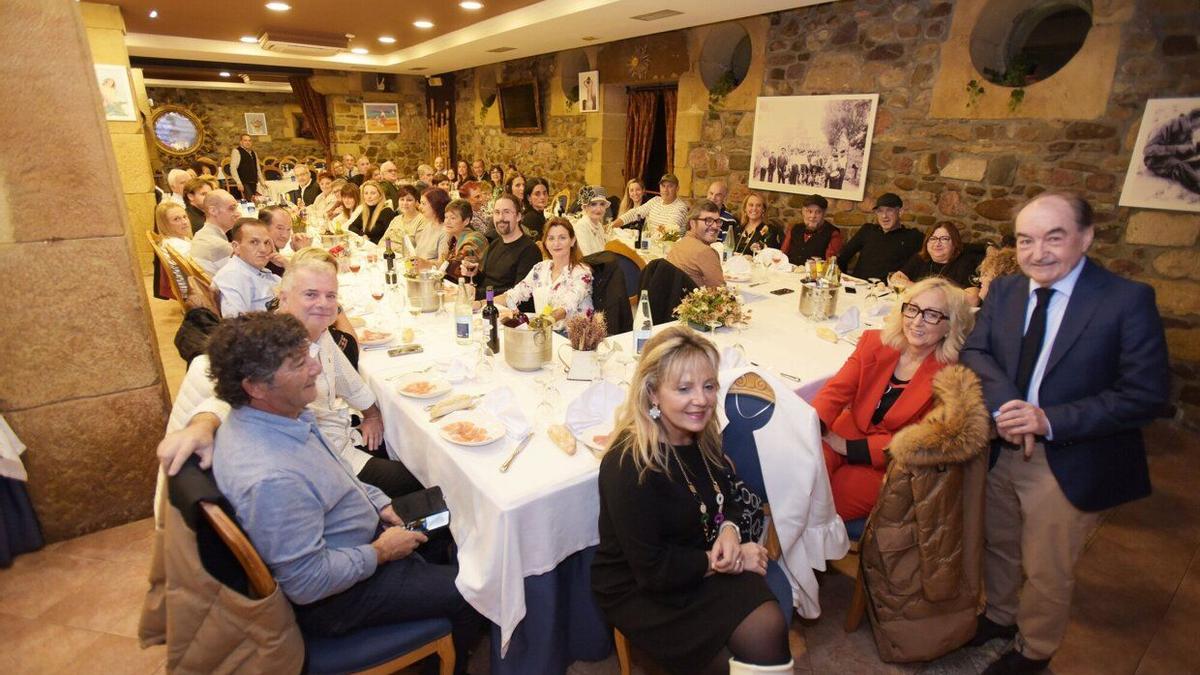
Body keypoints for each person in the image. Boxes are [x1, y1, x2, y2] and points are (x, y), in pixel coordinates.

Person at [194, 312, 479, 673]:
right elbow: (307, 581)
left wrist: (380, 503)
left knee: (450, 517)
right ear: (255, 386)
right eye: (299, 363)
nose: (316, 368)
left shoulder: (281, 416)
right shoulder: (271, 478)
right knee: (475, 590)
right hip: (339, 597)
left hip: (358, 537)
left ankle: (429, 607)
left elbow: (336, 470)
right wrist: (380, 552)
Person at [959, 192, 1169, 674]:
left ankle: (1034, 650)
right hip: (1004, 444)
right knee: (1000, 542)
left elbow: (1146, 395)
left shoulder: (1125, 300)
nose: (1038, 252)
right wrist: (1012, 405)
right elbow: (976, 352)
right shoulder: (1009, 290)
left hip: (1070, 455)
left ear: (1086, 237)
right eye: (1025, 240)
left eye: (1054, 237)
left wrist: (1048, 419)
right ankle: (1000, 616)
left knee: (1047, 565)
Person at [592, 326, 792, 675]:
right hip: (642, 587)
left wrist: (729, 530)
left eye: (709, 386)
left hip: (700, 554)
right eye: (684, 388)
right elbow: (653, 570)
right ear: (653, 393)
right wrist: (732, 560)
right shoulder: (630, 464)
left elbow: (725, 493)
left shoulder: (700, 432)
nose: (701, 400)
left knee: (767, 627)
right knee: (751, 644)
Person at [813, 277, 975, 521]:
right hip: (845, 430)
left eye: (932, 315)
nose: (917, 321)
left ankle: (803, 554)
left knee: (829, 504)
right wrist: (814, 425)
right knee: (804, 476)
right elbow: (836, 391)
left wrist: (849, 448)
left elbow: (926, 439)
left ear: (950, 326)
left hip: (892, 461)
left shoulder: (952, 376)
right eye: (912, 309)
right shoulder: (874, 342)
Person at [497, 217, 593, 324]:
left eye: (562, 238)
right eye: (551, 238)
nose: (556, 243)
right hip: (545, 331)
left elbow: (566, 307)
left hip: (574, 336)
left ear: (572, 241)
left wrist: (540, 323)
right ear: (545, 243)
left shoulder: (582, 273)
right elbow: (514, 294)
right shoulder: (540, 269)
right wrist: (482, 303)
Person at [465, 193, 541, 301]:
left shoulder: (530, 251)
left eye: (507, 212)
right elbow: (487, 281)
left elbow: (519, 294)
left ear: (519, 216)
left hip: (506, 312)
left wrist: (479, 294)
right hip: (483, 304)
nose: (501, 218)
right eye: (497, 212)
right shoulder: (495, 243)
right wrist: (473, 274)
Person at [837, 193, 924, 280]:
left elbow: (922, 263)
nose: (884, 216)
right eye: (880, 211)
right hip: (859, 286)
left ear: (900, 212)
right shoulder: (867, 230)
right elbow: (843, 257)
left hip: (887, 291)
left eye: (889, 210)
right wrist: (840, 279)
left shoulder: (912, 237)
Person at [212, 218, 281, 317]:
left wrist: (287, 265)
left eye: (266, 243)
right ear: (236, 247)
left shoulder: (254, 269)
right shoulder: (232, 276)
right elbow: (236, 324)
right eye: (254, 242)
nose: (263, 249)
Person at [891, 222, 979, 290]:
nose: (937, 243)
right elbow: (895, 278)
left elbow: (973, 299)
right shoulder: (920, 258)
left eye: (944, 239)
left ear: (954, 243)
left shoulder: (964, 263)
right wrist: (920, 288)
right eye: (933, 238)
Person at [666, 201, 726, 289]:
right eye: (708, 221)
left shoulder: (677, 245)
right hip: (691, 301)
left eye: (717, 221)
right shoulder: (706, 252)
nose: (715, 226)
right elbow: (721, 292)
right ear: (692, 224)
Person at [1142, 107, 1200, 195]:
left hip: (1172, 158)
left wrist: (1195, 149)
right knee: (1179, 166)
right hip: (1155, 160)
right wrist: (1177, 148)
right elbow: (1148, 150)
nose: (1198, 128)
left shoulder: (1188, 130)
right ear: (1194, 118)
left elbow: (1183, 152)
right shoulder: (1169, 125)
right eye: (1198, 124)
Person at [612, 173, 689, 236]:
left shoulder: (680, 207)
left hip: (668, 249)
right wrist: (613, 225)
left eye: (670, 186)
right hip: (651, 245)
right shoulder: (655, 200)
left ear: (677, 188)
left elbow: (669, 232)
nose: (665, 190)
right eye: (663, 186)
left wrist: (648, 236)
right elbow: (635, 213)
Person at [431, 199, 488, 280]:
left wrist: (428, 264)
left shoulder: (474, 239)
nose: (447, 222)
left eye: (453, 218)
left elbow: (459, 268)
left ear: (466, 221)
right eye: (446, 217)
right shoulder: (454, 238)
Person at [781, 194, 843, 265]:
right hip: (789, 272)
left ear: (824, 213)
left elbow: (829, 264)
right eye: (809, 211)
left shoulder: (833, 234)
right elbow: (782, 254)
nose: (812, 216)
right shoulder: (795, 228)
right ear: (803, 212)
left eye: (818, 212)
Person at [191, 189, 240, 275]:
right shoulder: (219, 245)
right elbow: (243, 278)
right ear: (213, 211)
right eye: (232, 208)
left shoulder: (200, 234)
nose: (238, 213)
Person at [152, 201, 193, 300]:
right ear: (165, 224)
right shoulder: (176, 245)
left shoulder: (175, 239)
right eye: (176, 219)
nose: (184, 222)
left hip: (189, 285)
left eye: (185, 217)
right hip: (191, 291)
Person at [258, 205, 311, 276]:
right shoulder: (262, 258)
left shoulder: (273, 254)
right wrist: (303, 251)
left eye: (289, 229)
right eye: (280, 228)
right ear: (262, 226)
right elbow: (307, 281)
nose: (285, 235)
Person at [572, 186, 611, 257]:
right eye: (593, 204)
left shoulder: (598, 225)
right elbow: (587, 257)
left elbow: (603, 250)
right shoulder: (581, 227)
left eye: (602, 204)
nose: (598, 209)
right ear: (585, 207)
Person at [413, 188, 450, 260]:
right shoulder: (429, 225)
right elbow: (418, 253)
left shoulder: (445, 231)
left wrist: (424, 264)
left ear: (435, 205)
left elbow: (442, 263)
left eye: (424, 204)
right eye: (420, 203)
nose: (420, 207)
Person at [229, 134, 266, 201]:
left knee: (256, 201)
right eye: (245, 140)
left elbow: (257, 168)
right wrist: (238, 182)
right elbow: (233, 168)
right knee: (251, 201)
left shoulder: (254, 153)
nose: (248, 142)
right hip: (244, 182)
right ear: (241, 142)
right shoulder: (237, 151)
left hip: (253, 181)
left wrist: (262, 181)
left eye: (249, 141)